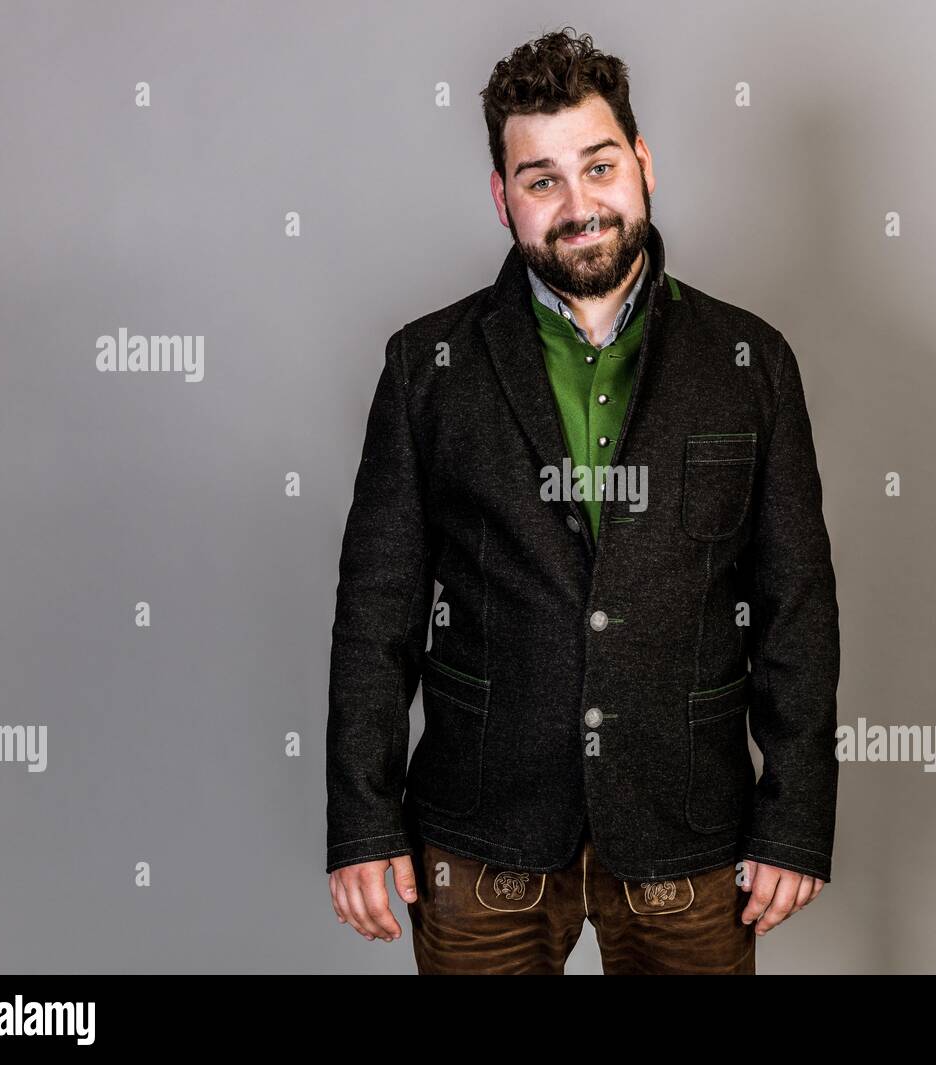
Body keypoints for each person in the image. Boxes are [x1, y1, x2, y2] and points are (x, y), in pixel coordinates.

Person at [325, 27, 840, 974]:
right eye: (541, 178)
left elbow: (796, 607)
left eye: (598, 166)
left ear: (642, 163)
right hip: (482, 828)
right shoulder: (426, 367)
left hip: (690, 827)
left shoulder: (749, 362)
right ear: (502, 196)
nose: (578, 204)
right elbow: (376, 610)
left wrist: (796, 816)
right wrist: (363, 819)